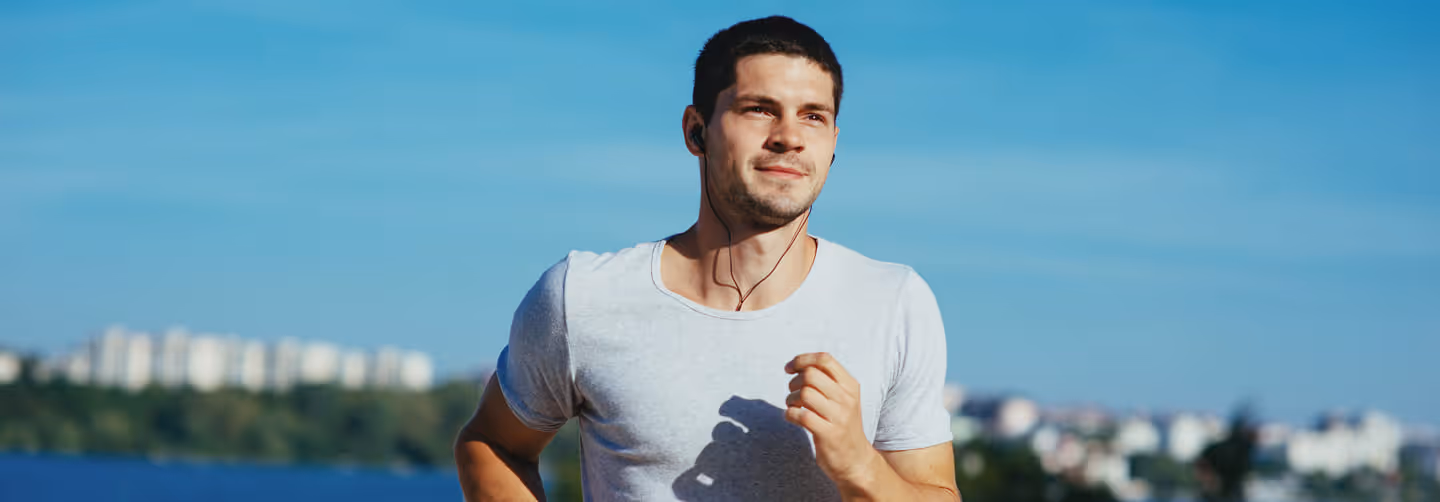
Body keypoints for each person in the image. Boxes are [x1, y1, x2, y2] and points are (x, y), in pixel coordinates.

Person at [455, 15, 959, 501]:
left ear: (832, 145)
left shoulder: (893, 302)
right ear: (697, 131)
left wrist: (860, 467)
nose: (789, 136)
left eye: (813, 116)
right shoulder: (582, 296)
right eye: (759, 109)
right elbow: (493, 445)